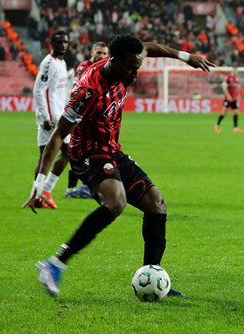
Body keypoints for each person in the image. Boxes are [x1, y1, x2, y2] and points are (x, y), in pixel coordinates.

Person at [23, 33, 214, 297]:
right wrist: (40, 184)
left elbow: (149, 47)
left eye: (138, 67)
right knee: (116, 203)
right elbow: (58, 135)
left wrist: (185, 57)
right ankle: (54, 264)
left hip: (112, 149)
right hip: (87, 152)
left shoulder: (129, 60)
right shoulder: (87, 90)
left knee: (156, 204)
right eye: (132, 68)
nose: (136, 74)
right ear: (114, 61)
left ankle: (152, 275)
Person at [31, 29, 71, 209]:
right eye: (59, 42)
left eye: (65, 42)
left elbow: (58, 92)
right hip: (52, 118)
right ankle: (45, 191)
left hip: (57, 114)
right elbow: (39, 90)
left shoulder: (61, 63)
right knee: (68, 152)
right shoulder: (49, 63)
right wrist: (47, 117)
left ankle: (38, 195)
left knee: (44, 156)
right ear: (51, 44)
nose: (62, 45)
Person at [65, 41, 109, 199]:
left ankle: (80, 188)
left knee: (89, 153)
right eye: (99, 52)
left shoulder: (103, 69)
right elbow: (75, 90)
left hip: (93, 117)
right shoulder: (84, 67)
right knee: (81, 153)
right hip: (81, 116)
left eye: (104, 53)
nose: (101, 56)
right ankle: (74, 189)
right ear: (92, 53)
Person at [215, 67, 243, 133]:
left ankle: (235, 128)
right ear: (232, 71)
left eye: (236, 71)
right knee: (224, 112)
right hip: (228, 99)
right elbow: (224, 87)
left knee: (236, 112)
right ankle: (217, 125)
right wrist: (228, 96)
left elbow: (238, 88)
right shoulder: (228, 78)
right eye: (234, 71)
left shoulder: (238, 79)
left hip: (234, 99)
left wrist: (238, 97)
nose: (235, 72)